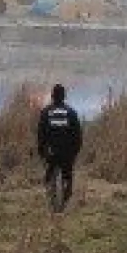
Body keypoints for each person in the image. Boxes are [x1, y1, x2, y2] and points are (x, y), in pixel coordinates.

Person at [36, 83, 83, 214]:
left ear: (52, 96)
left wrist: (41, 152)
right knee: (67, 175)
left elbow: (41, 135)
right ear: (64, 97)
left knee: (49, 173)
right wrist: (75, 152)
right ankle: (65, 199)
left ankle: (51, 196)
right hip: (67, 153)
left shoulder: (45, 112)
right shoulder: (71, 113)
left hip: (51, 152)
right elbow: (77, 136)